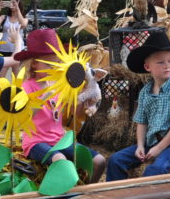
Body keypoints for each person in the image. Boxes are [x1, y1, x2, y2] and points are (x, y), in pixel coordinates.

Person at [15, 29, 106, 182]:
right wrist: (46, 95)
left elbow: (71, 114)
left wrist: (85, 102)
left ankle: (88, 191)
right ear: (34, 64)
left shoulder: (59, 85)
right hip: (36, 142)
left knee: (100, 161)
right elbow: (25, 117)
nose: (54, 66)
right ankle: (61, 198)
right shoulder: (27, 86)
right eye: (48, 62)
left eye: (56, 61)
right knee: (61, 160)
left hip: (60, 140)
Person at [106, 31, 170, 181]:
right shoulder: (145, 92)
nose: (167, 66)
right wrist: (140, 146)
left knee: (154, 171)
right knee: (115, 160)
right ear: (148, 67)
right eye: (160, 62)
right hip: (150, 142)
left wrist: (159, 149)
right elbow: (142, 121)